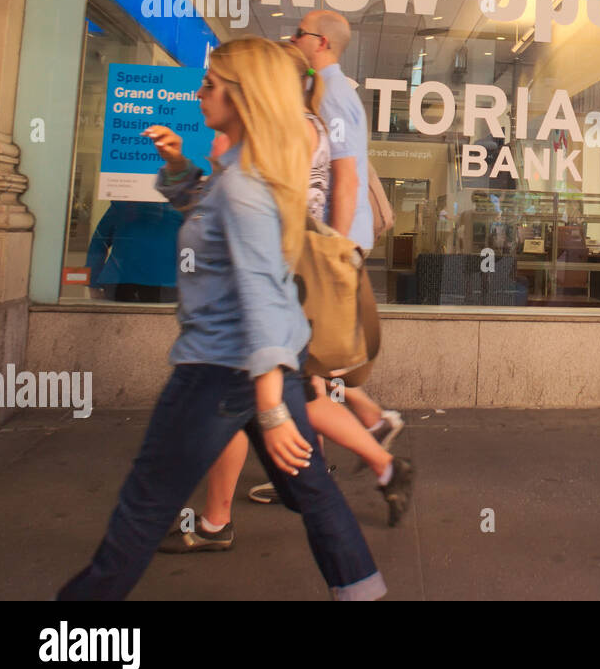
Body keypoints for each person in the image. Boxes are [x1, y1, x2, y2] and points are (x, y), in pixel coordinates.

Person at [58, 39, 386, 600]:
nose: (198, 92)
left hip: (219, 371)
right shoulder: (241, 177)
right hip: (262, 370)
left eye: (210, 84)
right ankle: (362, 592)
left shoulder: (243, 188)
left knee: (143, 508)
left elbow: (259, 291)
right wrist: (176, 164)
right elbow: (213, 220)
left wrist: (272, 408)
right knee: (314, 496)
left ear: (241, 97)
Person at [160, 44, 412, 552]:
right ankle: (379, 461)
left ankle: (217, 520)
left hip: (283, 274)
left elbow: (259, 202)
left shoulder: (281, 127)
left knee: (254, 398)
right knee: (293, 396)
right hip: (290, 272)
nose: (206, 93)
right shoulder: (304, 122)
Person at [246, 13, 404, 505]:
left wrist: (331, 251)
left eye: (297, 33)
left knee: (305, 372)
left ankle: (369, 449)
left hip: (327, 251)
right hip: (323, 251)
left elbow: (348, 178)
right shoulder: (324, 93)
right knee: (306, 372)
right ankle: (334, 456)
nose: (292, 39)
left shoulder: (332, 96)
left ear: (317, 43)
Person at [85, 200, 183, 302]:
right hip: (165, 281)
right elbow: (191, 249)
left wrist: (92, 284)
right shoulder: (178, 208)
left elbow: (98, 244)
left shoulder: (121, 207)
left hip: (120, 280)